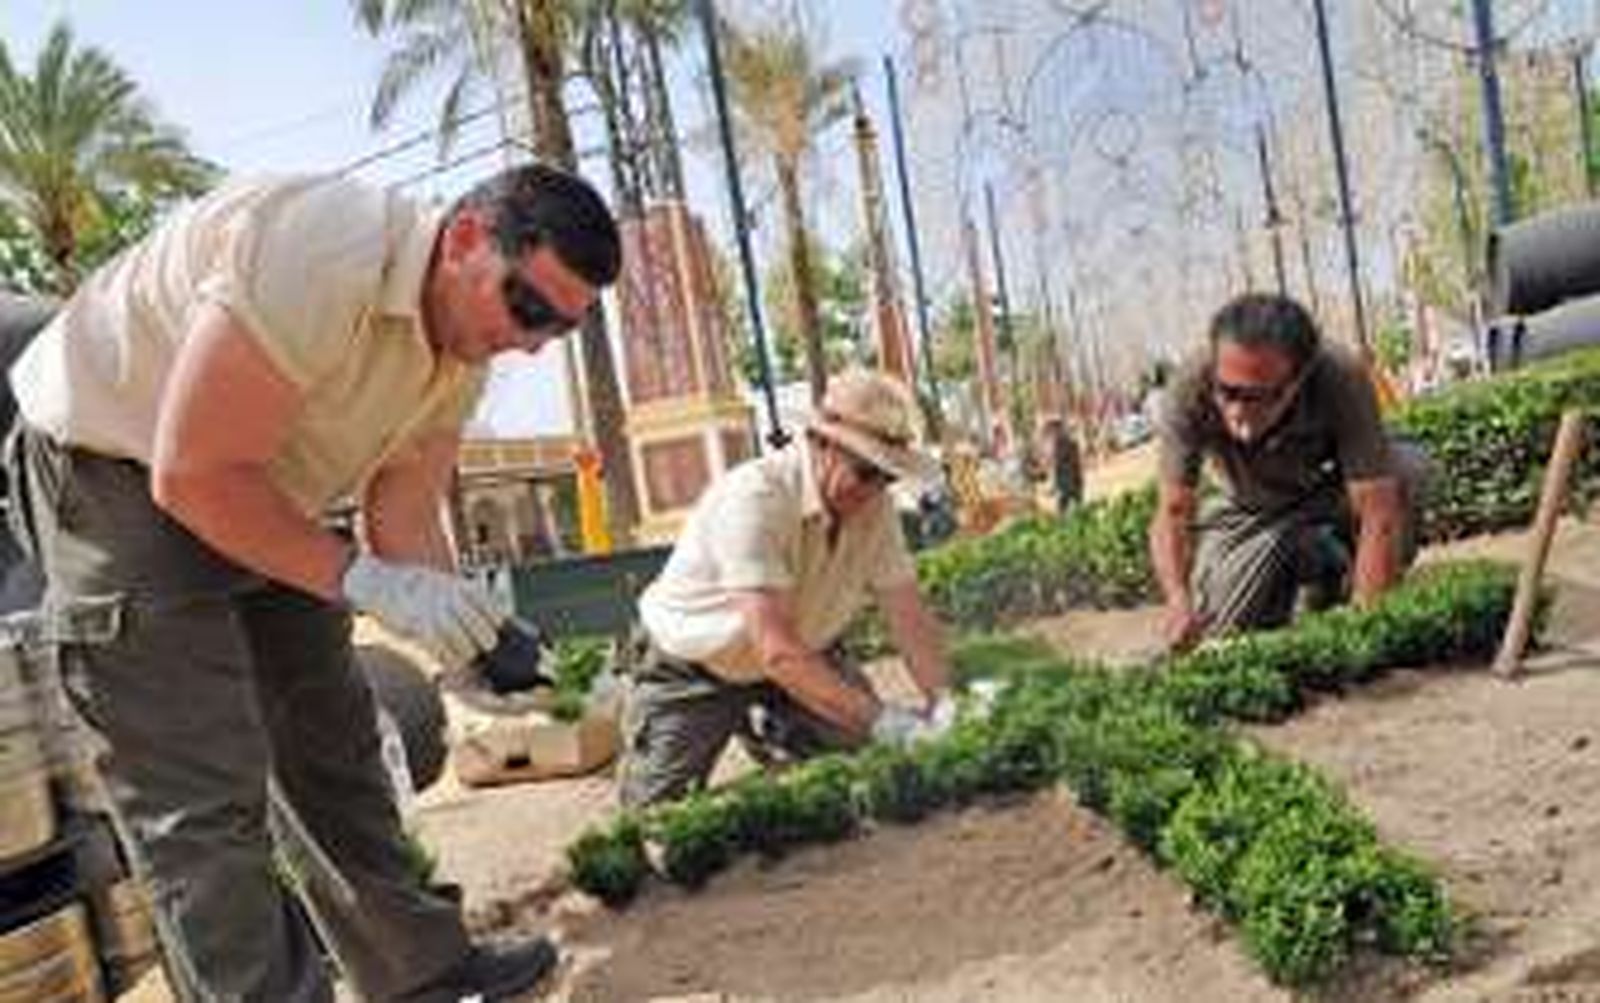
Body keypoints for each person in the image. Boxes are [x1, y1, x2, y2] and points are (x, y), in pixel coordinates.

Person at [4, 164, 620, 1002]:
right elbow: (193, 475)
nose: (533, 343)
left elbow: (401, 524)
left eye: (559, 329)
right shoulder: (324, 250)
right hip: (114, 465)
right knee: (203, 798)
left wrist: (468, 649)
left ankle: (419, 971)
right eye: (529, 308)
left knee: (332, 740)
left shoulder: (463, 352)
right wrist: (365, 580)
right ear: (468, 237)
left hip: (260, 483)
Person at [620, 369, 954, 808]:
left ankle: (771, 727)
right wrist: (887, 722)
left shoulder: (874, 509)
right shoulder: (755, 498)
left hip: (802, 653)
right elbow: (774, 649)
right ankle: (758, 724)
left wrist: (947, 702)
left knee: (873, 767)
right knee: (652, 820)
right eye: (866, 472)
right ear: (821, 444)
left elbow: (907, 614)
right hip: (695, 666)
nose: (876, 490)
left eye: (887, 477)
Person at [1148, 293, 1427, 652]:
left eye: (1258, 396)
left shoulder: (1339, 373)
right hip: (1250, 508)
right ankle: (1308, 561)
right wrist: (1177, 599)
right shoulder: (1189, 385)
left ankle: (1342, 574)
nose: (1237, 411)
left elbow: (1377, 508)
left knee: (1408, 468)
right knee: (1218, 627)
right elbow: (1172, 511)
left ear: (1299, 378)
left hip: (1326, 491)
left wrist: (1367, 627)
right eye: (1227, 392)